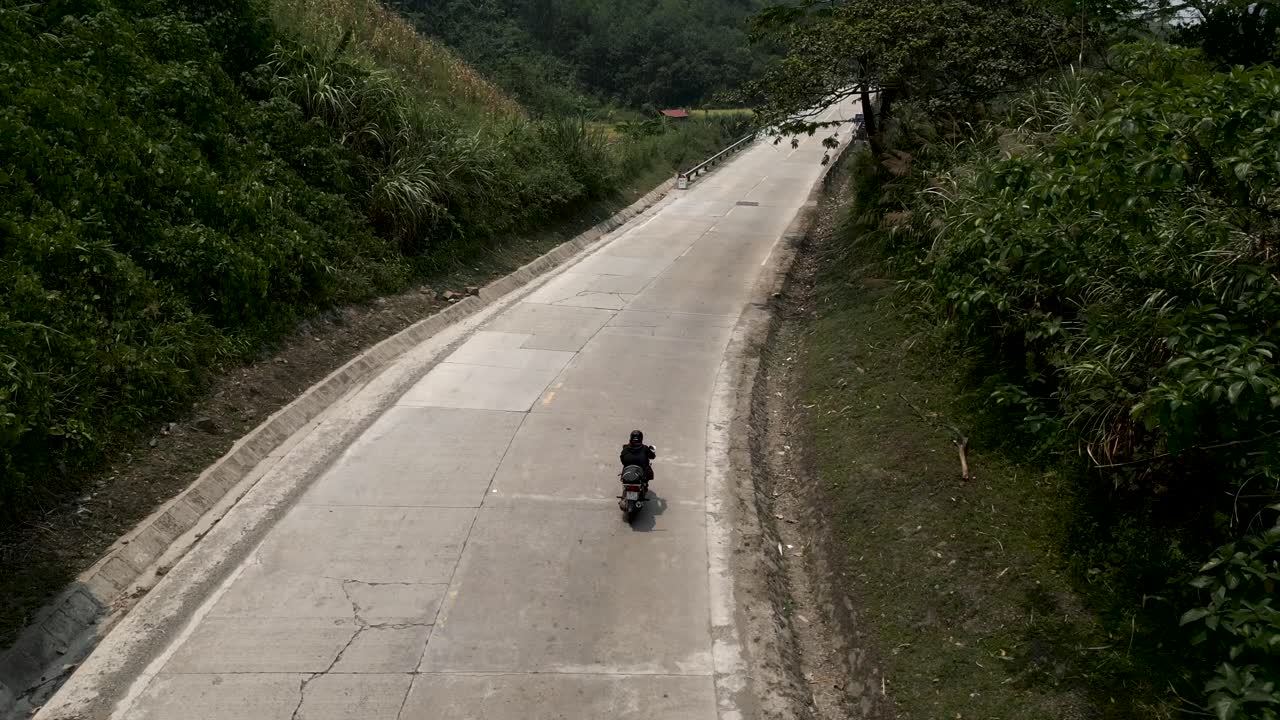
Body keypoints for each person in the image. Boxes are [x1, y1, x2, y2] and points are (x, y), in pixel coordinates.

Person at [619, 430, 656, 499]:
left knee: (624, 468)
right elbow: (652, 456)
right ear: (641, 438)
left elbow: (622, 459)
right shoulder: (645, 448)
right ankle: (645, 485)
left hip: (628, 470)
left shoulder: (625, 447)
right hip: (641, 471)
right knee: (647, 472)